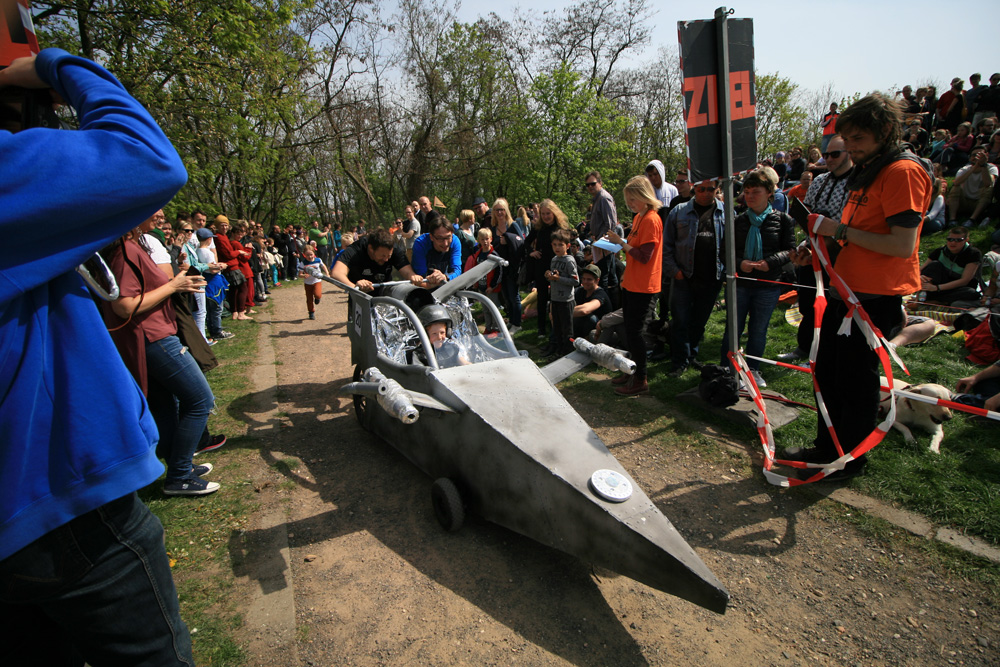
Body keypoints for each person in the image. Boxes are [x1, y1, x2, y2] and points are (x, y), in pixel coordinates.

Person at [0, 48, 197, 663]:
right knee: (198, 399)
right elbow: (148, 159)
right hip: (61, 496)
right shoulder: (109, 241)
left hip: (19, 518)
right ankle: (184, 470)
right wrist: (50, 65)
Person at [785, 93, 933, 481]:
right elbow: (856, 237)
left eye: (856, 140)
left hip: (871, 300)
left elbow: (902, 244)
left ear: (884, 131)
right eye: (845, 140)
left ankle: (848, 460)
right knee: (828, 375)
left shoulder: (902, 172)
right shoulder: (869, 170)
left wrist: (839, 230)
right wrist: (816, 250)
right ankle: (826, 448)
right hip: (842, 291)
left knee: (854, 382)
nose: (849, 149)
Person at [779, 134, 855, 362]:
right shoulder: (819, 181)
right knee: (807, 303)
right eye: (826, 155)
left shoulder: (857, 183)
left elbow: (847, 223)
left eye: (835, 154)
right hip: (813, 249)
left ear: (849, 153)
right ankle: (804, 348)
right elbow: (807, 214)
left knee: (834, 307)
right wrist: (804, 245)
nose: (828, 159)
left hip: (842, 255)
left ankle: (828, 353)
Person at [720, 168, 795, 388]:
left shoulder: (783, 220)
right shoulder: (738, 221)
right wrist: (739, 262)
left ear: (769, 193)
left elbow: (789, 250)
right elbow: (725, 251)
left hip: (768, 284)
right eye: (748, 192)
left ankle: (753, 369)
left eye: (756, 192)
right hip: (740, 283)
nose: (750, 196)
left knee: (758, 329)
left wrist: (768, 263)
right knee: (733, 328)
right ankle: (727, 367)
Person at [607, 176, 663, 396]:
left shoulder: (651, 219)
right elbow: (634, 251)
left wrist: (621, 243)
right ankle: (632, 371)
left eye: (632, 199)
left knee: (636, 333)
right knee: (630, 332)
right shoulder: (640, 217)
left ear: (644, 196)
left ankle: (641, 379)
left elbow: (644, 256)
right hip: (632, 283)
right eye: (627, 199)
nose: (629, 203)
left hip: (645, 287)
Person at [663, 179, 725, 376]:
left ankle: (691, 355)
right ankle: (679, 361)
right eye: (701, 189)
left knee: (699, 320)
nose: (706, 193)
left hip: (711, 277)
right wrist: (675, 271)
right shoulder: (679, 211)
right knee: (680, 320)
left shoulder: (726, 211)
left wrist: (724, 272)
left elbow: (730, 245)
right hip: (684, 276)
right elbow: (666, 246)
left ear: (717, 189)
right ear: (694, 188)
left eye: (710, 189)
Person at [525, 199, 571, 340]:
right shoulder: (538, 227)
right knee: (542, 296)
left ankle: (555, 326)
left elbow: (569, 245)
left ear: (554, 213)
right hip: (541, 265)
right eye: (543, 214)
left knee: (557, 297)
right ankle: (541, 329)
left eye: (548, 213)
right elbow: (526, 242)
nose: (546, 216)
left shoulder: (561, 228)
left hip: (558, 265)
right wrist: (531, 252)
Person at [332, 227, 417, 291]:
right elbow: (336, 273)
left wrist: (413, 276)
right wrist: (354, 287)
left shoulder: (394, 249)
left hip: (385, 293)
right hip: (360, 296)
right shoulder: (355, 250)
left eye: (389, 256)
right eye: (383, 256)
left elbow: (406, 270)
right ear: (371, 248)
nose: (386, 260)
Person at [919, 226, 982, 305]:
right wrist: (920, 277)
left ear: (966, 240)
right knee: (934, 265)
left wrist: (937, 288)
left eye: (958, 240)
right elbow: (920, 269)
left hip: (955, 288)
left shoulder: (973, 254)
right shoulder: (940, 251)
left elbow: (965, 280)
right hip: (937, 287)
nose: (953, 243)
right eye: (950, 239)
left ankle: (939, 301)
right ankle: (925, 297)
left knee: (970, 293)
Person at [488, 198, 524, 333]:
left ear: (506, 211)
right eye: (496, 210)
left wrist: (508, 241)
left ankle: (517, 323)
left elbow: (521, 243)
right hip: (500, 267)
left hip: (513, 267)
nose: (499, 212)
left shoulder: (512, 225)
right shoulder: (493, 227)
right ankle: (512, 320)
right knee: (507, 296)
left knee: (514, 295)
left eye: (501, 209)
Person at [545, 228, 580, 357]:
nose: (557, 248)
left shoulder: (569, 261)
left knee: (567, 329)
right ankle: (559, 351)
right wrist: (549, 275)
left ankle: (568, 353)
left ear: (568, 245)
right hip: (555, 298)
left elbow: (575, 281)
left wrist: (559, 278)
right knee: (557, 327)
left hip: (566, 300)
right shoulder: (554, 259)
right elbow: (554, 276)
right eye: (554, 245)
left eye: (560, 245)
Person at [585, 171, 620, 297]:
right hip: (600, 242)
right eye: (587, 185)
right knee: (608, 275)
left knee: (604, 276)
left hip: (605, 243)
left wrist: (600, 241)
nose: (590, 187)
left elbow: (610, 224)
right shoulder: (597, 199)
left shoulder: (604, 198)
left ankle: (605, 305)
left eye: (593, 184)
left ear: (600, 183)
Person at [947, 145, 997, 226]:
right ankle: (952, 219)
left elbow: (988, 183)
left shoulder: (991, 168)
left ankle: (972, 219)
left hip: (979, 203)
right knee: (956, 187)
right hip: (963, 201)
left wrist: (983, 165)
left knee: (989, 189)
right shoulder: (965, 169)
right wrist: (974, 168)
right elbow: (956, 183)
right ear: (970, 158)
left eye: (980, 154)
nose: (977, 157)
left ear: (986, 156)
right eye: (974, 155)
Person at [411, 217, 462, 288]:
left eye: (448, 237)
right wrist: (434, 279)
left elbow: (457, 270)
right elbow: (420, 276)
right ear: (431, 237)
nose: (445, 243)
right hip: (425, 286)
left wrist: (445, 277)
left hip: (445, 282)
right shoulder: (421, 243)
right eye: (440, 238)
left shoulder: (455, 241)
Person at [419, 304, 470, 368]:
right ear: (425, 335)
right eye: (434, 333)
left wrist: (468, 365)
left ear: (448, 332)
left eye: (442, 332)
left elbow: (461, 360)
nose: (439, 337)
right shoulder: (420, 355)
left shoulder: (451, 347)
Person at [573, 264, 612, 338]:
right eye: (583, 279)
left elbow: (584, 310)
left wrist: (563, 312)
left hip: (601, 329)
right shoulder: (581, 290)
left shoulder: (600, 294)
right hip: (582, 326)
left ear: (597, 280)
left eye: (589, 279)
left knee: (589, 318)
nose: (585, 281)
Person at [298, 245, 330, 320]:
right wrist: (303, 275)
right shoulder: (303, 263)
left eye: (311, 254)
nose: (309, 256)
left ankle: (317, 298)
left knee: (318, 294)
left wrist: (327, 273)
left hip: (317, 281)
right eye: (307, 255)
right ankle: (311, 312)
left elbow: (323, 266)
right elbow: (299, 274)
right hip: (308, 283)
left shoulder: (318, 260)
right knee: (309, 299)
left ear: (314, 253)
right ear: (304, 255)